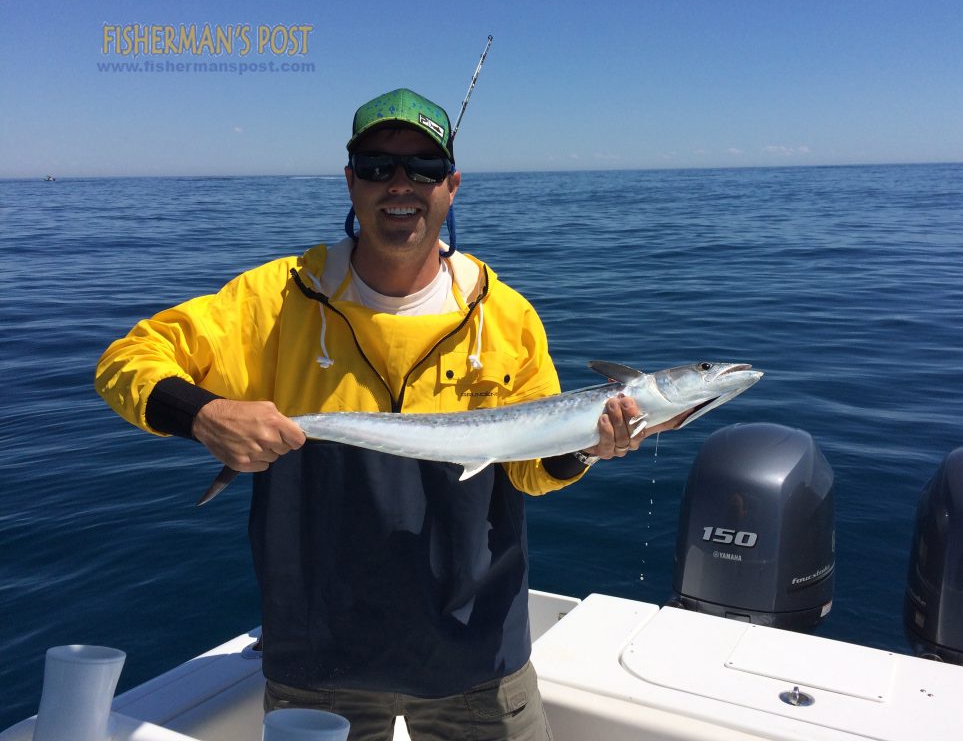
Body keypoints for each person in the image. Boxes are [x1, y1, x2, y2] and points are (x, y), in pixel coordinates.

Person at [95, 88, 688, 741]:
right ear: (351, 181)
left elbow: (530, 469)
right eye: (378, 166)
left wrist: (587, 446)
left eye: (424, 170)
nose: (400, 185)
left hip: (476, 656)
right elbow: (128, 360)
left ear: (451, 186)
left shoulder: (505, 316)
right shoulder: (277, 301)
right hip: (320, 654)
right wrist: (204, 413)